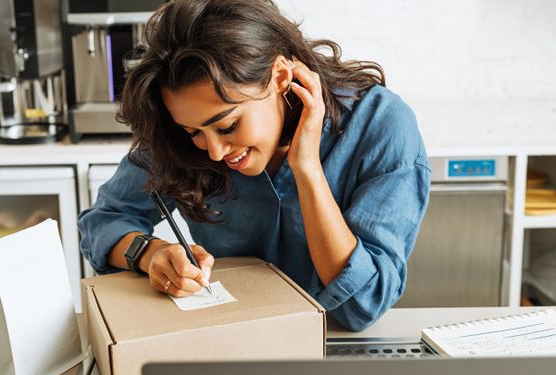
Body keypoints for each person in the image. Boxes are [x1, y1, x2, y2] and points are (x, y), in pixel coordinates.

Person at [77, 0, 430, 331]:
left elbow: (362, 307)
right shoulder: (181, 136)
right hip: (231, 338)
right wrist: (150, 254)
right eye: (193, 132)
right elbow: (104, 221)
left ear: (279, 78)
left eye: (228, 125)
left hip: (338, 349)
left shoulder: (381, 126)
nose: (214, 152)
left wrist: (306, 168)